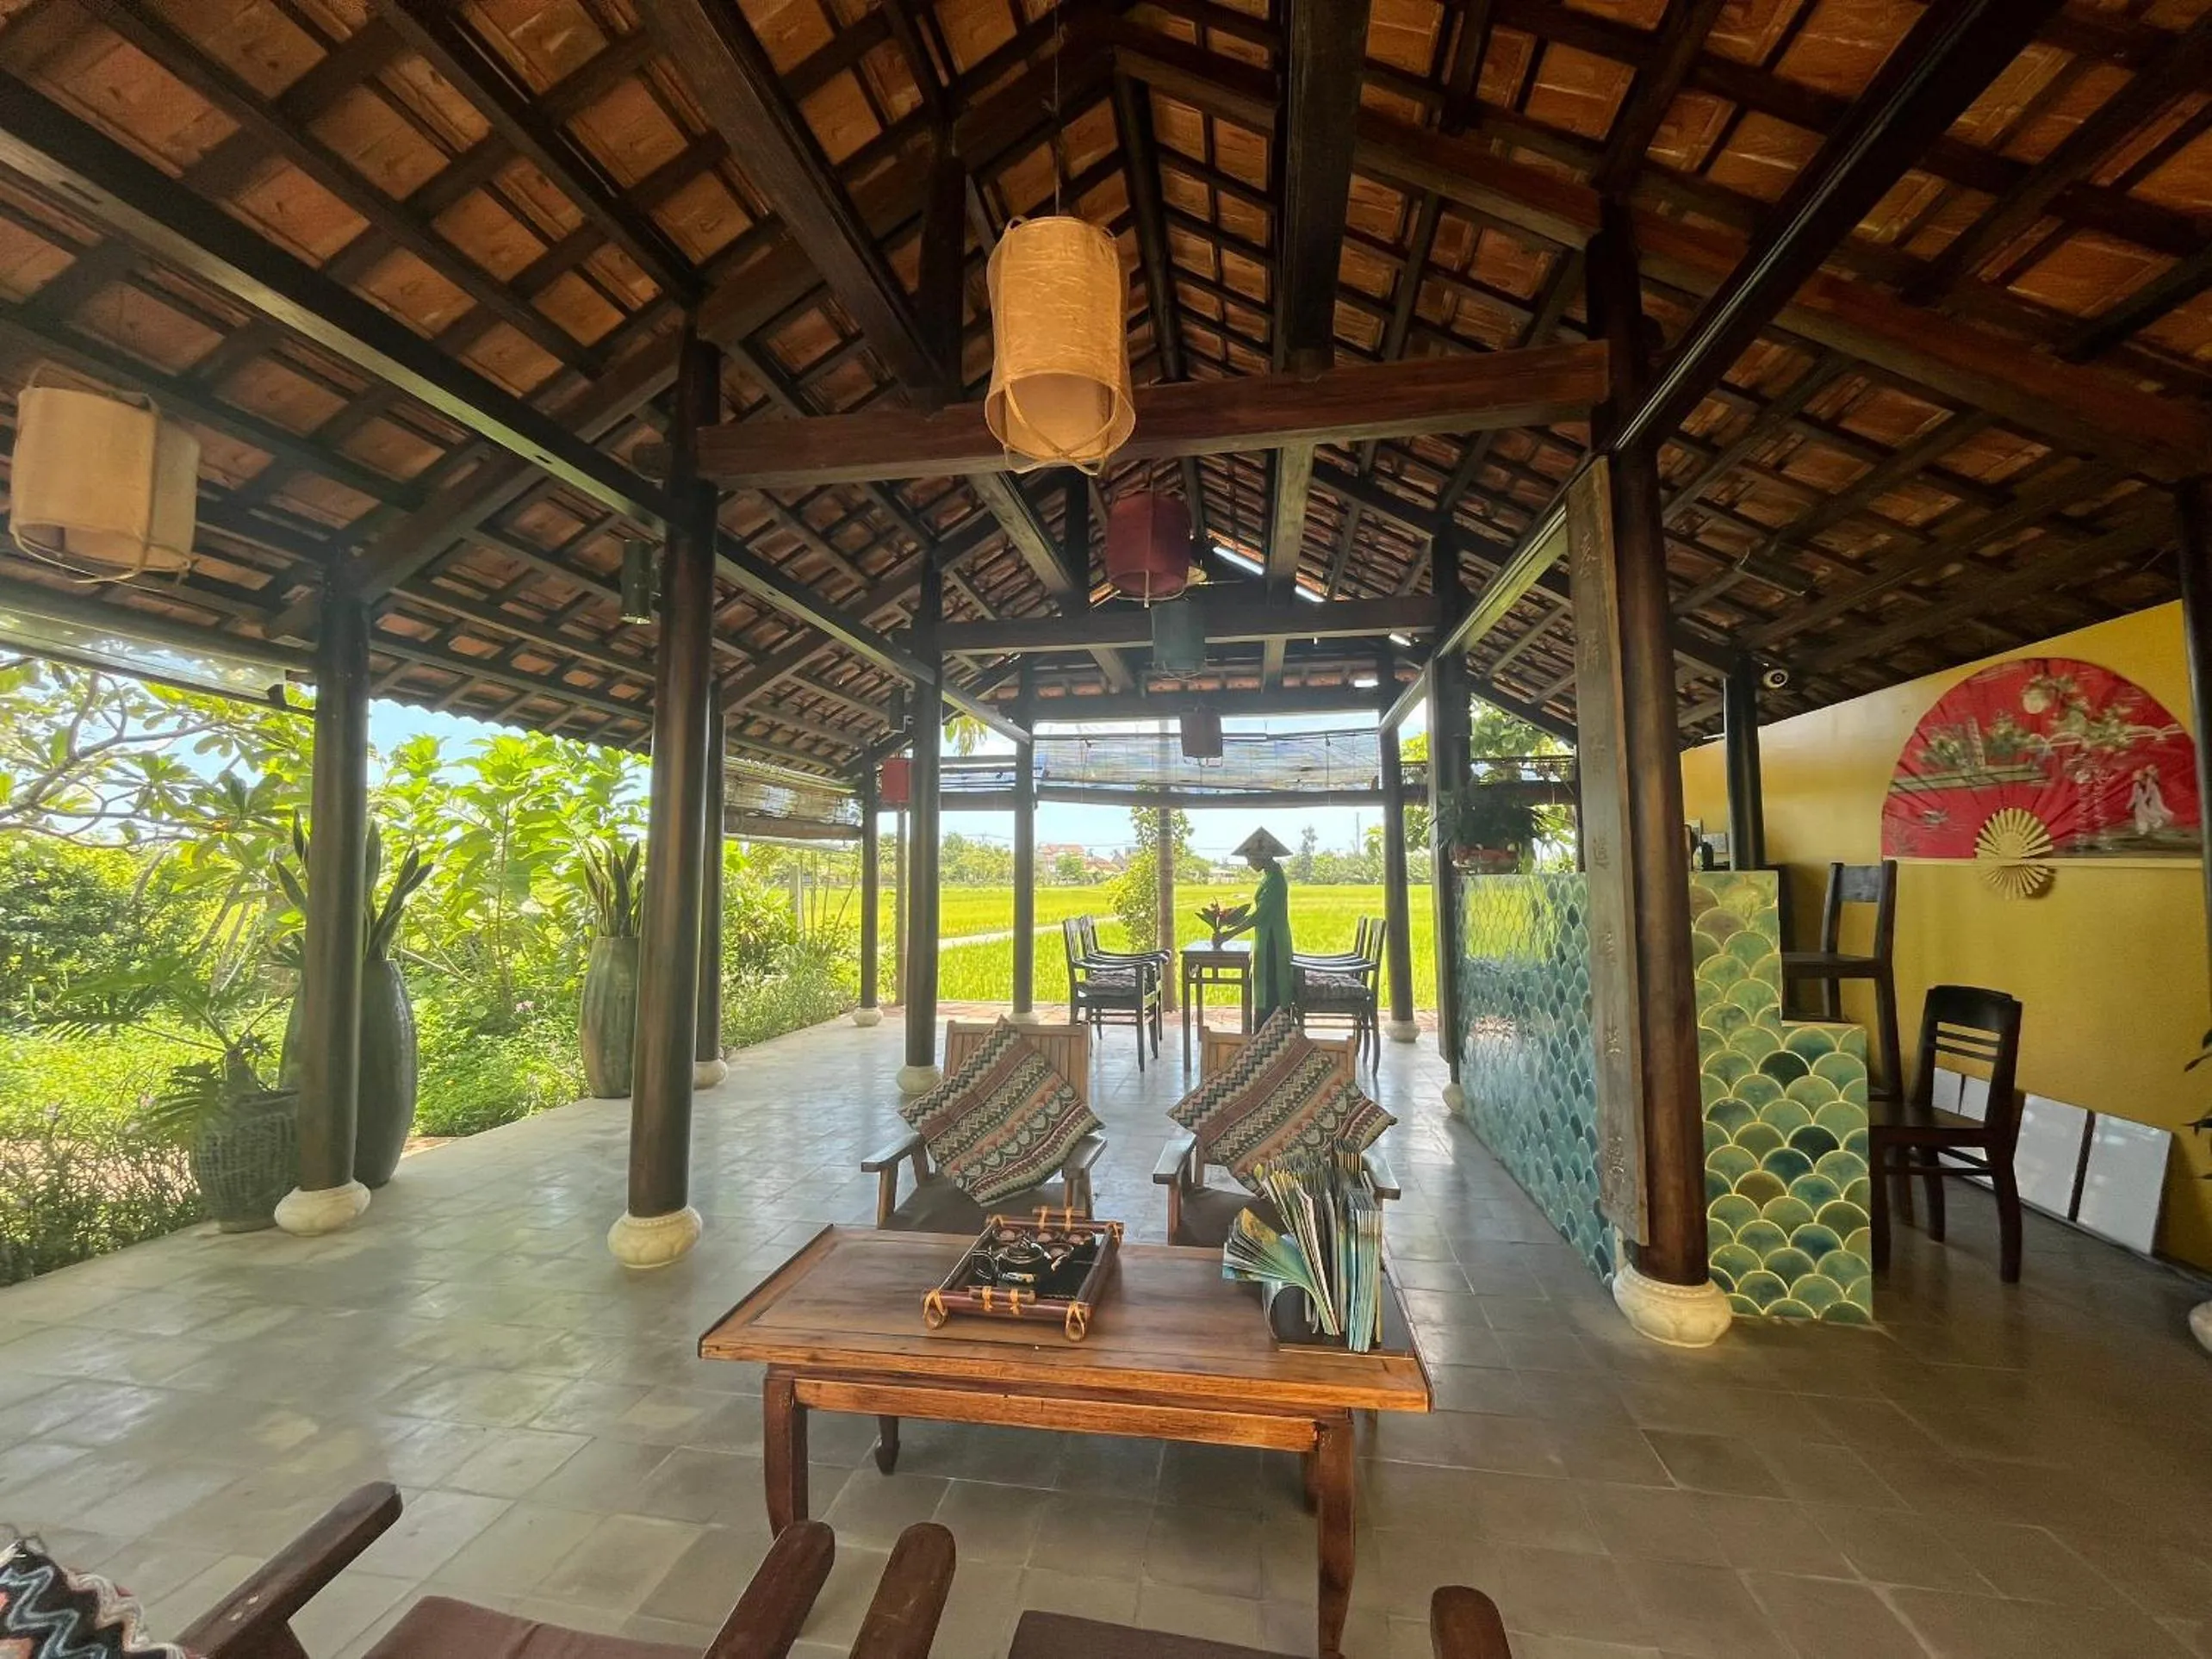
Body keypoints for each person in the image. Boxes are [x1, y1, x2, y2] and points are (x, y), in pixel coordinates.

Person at [1223, 828, 1295, 1022]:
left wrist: (1228, 935)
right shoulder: (1270, 876)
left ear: (1262, 857)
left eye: (1250, 858)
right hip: (1266, 938)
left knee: (1272, 990)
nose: (1248, 863)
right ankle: (1263, 1034)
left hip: (1273, 943)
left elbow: (1259, 916)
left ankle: (1271, 1034)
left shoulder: (1276, 880)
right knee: (1264, 987)